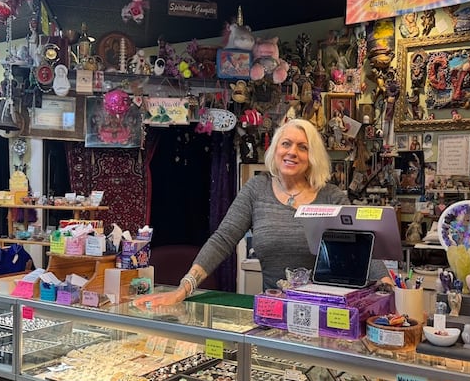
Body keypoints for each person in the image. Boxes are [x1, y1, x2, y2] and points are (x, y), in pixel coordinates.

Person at [138, 119, 394, 306]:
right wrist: (185, 288)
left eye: (303, 147)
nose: (292, 152)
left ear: (312, 157)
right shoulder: (257, 189)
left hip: (326, 311)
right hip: (274, 312)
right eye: (286, 144)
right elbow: (223, 239)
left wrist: (388, 287)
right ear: (276, 150)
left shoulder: (332, 197)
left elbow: (364, 250)